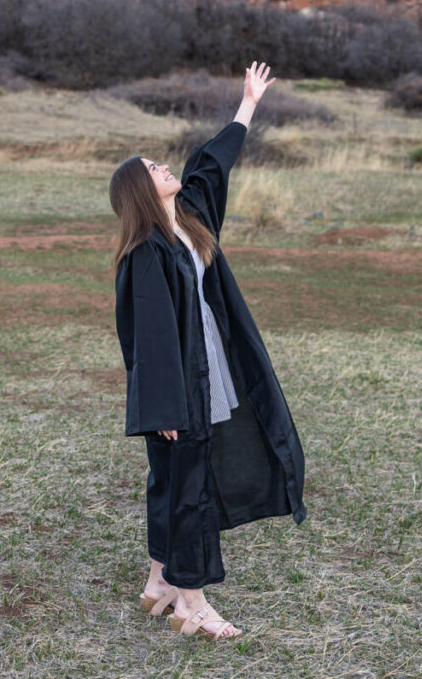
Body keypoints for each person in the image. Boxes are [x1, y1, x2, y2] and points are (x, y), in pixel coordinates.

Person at [108, 61, 307, 640]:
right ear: (140, 191)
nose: (163, 166)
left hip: (202, 374)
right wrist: (166, 407)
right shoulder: (147, 251)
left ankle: (158, 582)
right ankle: (191, 603)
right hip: (177, 392)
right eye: (152, 168)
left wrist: (248, 104)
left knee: (170, 483)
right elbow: (149, 336)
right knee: (189, 487)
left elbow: (212, 163)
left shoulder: (189, 220)